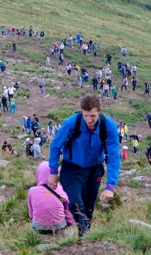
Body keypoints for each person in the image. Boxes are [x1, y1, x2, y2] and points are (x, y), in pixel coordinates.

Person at [48, 96, 120, 236]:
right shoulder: (72, 123)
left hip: (94, 170)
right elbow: (55, 146)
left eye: (93, 115)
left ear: (99, 111)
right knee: (75, 202)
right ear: (82, 112)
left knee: (88, 208)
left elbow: (113, 156)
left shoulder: (108, 126)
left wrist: (110, 186)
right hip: (72, 168)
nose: (89, 120)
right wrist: (53, 171)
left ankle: (84, 238)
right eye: (86, 115)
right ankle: (85, 233)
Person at [27, 162, 76, 234]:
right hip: (59, 227)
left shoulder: (32, 191)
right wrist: (71, 223)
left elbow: (31, 214)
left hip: (39, 228)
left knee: (33, 223)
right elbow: (67, 210)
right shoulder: (61, 190)